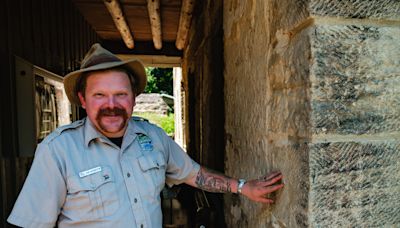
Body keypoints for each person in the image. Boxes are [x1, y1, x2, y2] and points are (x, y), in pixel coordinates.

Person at [8, 43, 284, 228]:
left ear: (134, 97)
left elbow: (193, 175)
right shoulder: (58, 150)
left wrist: (243, 186)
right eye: (99, 95)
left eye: (120, 94)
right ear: (82, 99)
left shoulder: (153, 137)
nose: (111, 105)